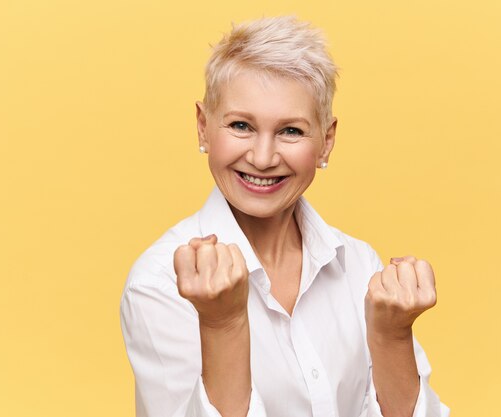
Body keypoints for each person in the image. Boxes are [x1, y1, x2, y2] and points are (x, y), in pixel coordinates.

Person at [120, 15, 449, 417]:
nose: (262, 157)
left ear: (326, 142)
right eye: (241, 125)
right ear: (204, 128)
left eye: (290, 131)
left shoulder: (360, 265)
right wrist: (222, 325)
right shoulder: (159, 283)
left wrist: (394, 337)